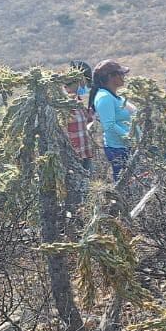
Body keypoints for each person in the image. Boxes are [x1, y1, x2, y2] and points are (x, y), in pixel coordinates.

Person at [90, 60, 134, 182]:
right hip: (118, 148)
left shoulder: (114, 96)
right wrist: (130, 138)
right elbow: (109, 125)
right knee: (124, 184)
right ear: (110, 77)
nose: (123, 77)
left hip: (126, 146)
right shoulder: (105, 97)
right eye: (120, 74)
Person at [63, 60, 96, 219]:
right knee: (74, 195)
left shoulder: (78, 100)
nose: (86, 87)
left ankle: (81, 220)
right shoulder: (61, 102)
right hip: (72, 155)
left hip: (84, 153)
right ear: (79, 79)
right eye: (86, 82)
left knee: (84, 191)